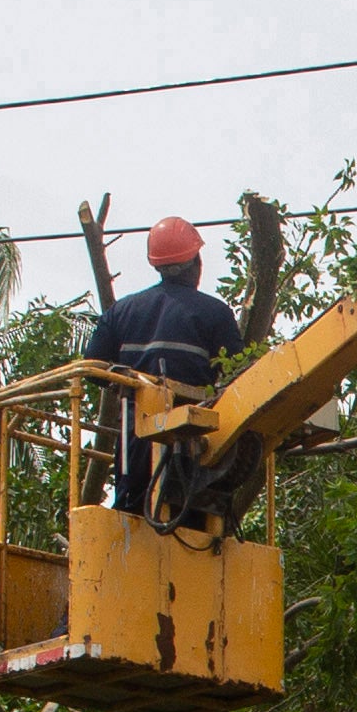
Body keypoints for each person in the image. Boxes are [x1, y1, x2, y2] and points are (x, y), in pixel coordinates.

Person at [81, 213, 247, 522]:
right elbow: (241, 373)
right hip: (196, 441)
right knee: (194, 517)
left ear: (157, 265)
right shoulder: (215, 314)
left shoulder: (122, 311)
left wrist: (122, 379)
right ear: (195, 262)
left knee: (133, 511)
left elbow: (92, 369)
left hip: (136, 439)